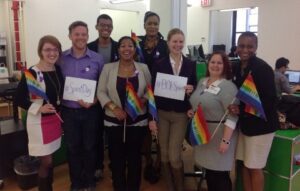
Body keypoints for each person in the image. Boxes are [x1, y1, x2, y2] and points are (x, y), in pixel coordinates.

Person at [97, 36, 157, 191]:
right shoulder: (108, 68)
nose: (126, 49)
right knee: (116, 159)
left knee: (135, 158)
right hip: (114, 121)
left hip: (137, 121)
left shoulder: (143, 68)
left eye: (130, 46)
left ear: (134, 49)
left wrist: (142, 101)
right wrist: (113, 108)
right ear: (118, 49)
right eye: (123, 46)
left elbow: (150, 91)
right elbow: (101, 92)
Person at [230, 32, 279, 191]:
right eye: (241, 46)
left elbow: (269, 101)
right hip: (245, 126)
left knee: (255, 167)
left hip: (261, 127)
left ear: (256, 48)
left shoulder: (262, 68)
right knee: (245, 165)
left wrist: (241, 108)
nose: (245, 50)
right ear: (236, 47)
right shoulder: (237, 67)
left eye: (249, 46)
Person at [59, 21, 104, 191]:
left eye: (83, 34)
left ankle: (90, 182)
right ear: (70, 36)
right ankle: (76, 183)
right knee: (72, 148)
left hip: (91, 111)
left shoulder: (97, 59)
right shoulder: (61, 59)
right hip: (68, 112)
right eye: (77, 34)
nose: (80, 37)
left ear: (88, 36)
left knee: (90, 147)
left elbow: (102, 85)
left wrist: (96, 100)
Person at [15, 35, 63, 191]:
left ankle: (48, 186)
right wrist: (39, 108)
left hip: (54, 120)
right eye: (47, 49)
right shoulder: (32, 73)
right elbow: (18, 99)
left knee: (51, 159)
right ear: (40, 51)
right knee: (46, 161)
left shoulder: (58, 69)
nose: (52, 53)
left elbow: (59, 93)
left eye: (55, 49)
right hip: (38, 123)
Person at [152, 28, 197, 191]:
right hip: (162, 113)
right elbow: (153, 91)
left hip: (180, 114)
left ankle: (180, 187)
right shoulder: (158, 64)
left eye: (180, 41)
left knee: (174, 155)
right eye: (174, 41)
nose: (178, 45)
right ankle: (170, 187)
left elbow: (195, 87)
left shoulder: (191, 64)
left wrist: (191, 89)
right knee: (163, 154)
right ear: (168, 43)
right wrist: (152, 117)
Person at [188, 52, 239, 191]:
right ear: (207, 63)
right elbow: (198, 102)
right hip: (204, 133)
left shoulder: (228, 87)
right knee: (210, 173)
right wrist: (193, 111)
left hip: (220, 135)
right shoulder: (202, 82)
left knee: (220, 175)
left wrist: (226, 140)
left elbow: (233, 115)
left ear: (225, 66)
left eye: (219, 63)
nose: (215, 65)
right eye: (212, 62)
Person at [87, 13, 119, 181]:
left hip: (114, 97)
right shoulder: (89, 47)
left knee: (114, 133)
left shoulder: (119, 46)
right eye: (102, 25)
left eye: (109, 25)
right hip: (94, 97)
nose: (106, 28)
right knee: (97, 133)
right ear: (97, 27)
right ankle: (98, 165)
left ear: (112, 28)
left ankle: (115, 164)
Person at [138, 11, 168, 183]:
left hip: (161, 92)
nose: (152, 26)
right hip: (141, 91)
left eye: (155, 23)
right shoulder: (137, 43)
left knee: (160, 128)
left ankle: (159, 163)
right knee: (146, 129)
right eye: (149, 23)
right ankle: (148, 161)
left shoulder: (164, 45)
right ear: (144, 25)